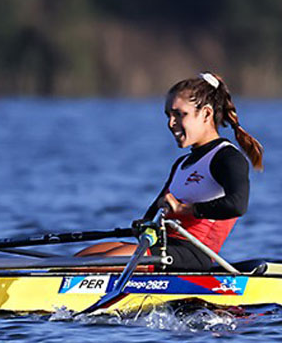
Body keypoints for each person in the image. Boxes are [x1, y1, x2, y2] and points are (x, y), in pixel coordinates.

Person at [76, 72, 263, 270]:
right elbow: (152, 214)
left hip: (193, 256)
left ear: (207, 114)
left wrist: (185, 210)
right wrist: (143, 224)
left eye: (179, 114)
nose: (170, 123)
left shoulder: (227, 157)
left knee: (89, 266)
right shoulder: (182, 164)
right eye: (168, 115)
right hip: (163, 248)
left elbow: (238, 205)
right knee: (82, 258)